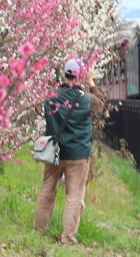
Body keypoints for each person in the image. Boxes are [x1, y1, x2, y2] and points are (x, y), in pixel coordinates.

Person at [34, 57, 107, 244]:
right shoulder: (87, 100)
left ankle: (39, 229)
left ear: (64, 74)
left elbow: (41, 111)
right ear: (80, 76)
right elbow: (102, 104)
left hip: (54, 152)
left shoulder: (50, 96)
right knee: (74, 196)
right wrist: (91, 82)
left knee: (47, 190)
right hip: (78, 154)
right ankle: (67, 237)